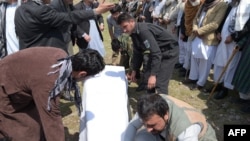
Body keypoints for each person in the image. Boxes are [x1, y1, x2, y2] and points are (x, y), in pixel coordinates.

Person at [0, 47, 105, 141]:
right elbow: (51, 118)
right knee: (24, 133)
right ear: (82, 73)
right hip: (5, 88)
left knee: (36, 126)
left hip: (18, 82)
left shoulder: (61, 55)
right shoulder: (50, 82)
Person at [14, 0, 114, 53]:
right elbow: (68, 17)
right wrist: (95, 11)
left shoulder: (19, 10)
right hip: (43, 59)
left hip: (27, 57)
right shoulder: (41, 11)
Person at [117, 13, 179, 94]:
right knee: (147, 77)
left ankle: (161, 103)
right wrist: (135, 70)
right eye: (122, 28)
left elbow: (156, 54)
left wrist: (153, 75)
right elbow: (137, 52)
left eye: (125, 26)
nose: (124, 30)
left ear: (132, 21)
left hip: (169, 51)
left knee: (160, 83)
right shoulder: (133, 32)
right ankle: (150, 101)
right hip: (157, 50)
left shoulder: (143, 31)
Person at [124, 94, 217, 141]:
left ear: (166, 115)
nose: (148, 129)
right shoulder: (149, 108)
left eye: (152, 125)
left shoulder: (186, 129)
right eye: (145, 124)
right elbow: (133, 125)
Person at [188, 0, 227, 90]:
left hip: (208, 37)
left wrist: (200, 31)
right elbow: (195, 19)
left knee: (205, 62)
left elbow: (215, 23)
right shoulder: (204, 3)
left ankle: (200, 83)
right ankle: (193, 78)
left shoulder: (221, 4)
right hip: (197, 35)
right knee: (194, 57)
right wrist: (195, 29)